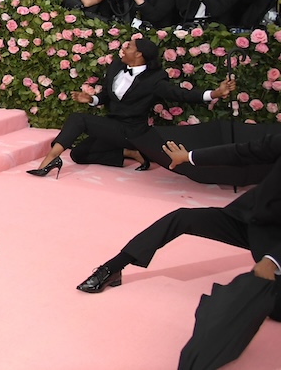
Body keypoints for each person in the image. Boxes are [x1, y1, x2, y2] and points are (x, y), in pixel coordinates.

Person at [76, 136, 281, 328]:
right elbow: (243, 151)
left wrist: (273, 260)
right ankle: (113, 268)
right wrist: (189, 157)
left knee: (272, 309)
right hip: (249, 217)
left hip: (274, 241)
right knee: (182, 217)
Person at [28, 38, 233, 177]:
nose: (123, 49)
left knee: (78, 119)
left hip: (132, 130)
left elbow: (180, 94)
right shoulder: (117, 65)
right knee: (78, 155)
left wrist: (214, 94)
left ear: (139, 55)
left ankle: (49, 162)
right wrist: (91, 100)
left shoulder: (154, 79)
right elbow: (107, 96)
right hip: (113, 126)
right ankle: (131, 153)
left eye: (129, 47)